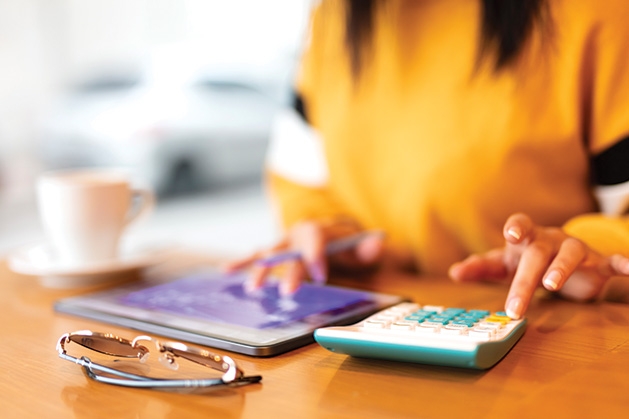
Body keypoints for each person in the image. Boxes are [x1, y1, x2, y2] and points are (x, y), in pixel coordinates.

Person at [227, 0, 629, 320]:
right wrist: (327, 234)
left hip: (543, 335)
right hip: (370, 329)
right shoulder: (332, 16)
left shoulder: (597, 13)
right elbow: (301, 180)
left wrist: (589, 252)